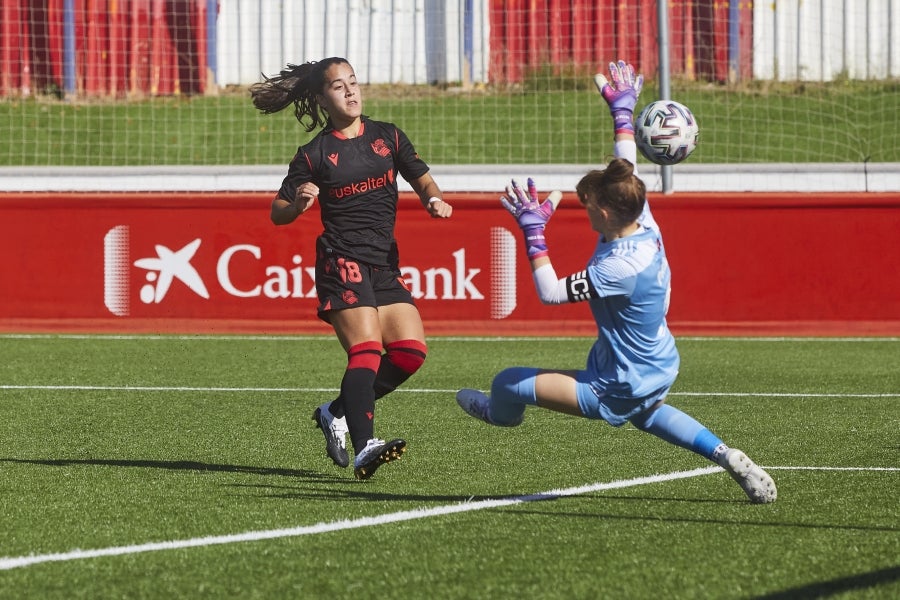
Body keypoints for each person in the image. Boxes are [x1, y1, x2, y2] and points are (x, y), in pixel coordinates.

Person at [456, 61, 776, 504]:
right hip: (658, 361)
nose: (583, 209)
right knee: (648, 415)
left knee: (508, 382)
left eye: (586, 205)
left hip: (619, 379)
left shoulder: (617, 269)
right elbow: (624, 169)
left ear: (604, 213)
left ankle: (499, 415)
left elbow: (550, 293)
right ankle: (727, 455)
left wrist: (532, 232)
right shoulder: (641, 217)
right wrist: (621, 114)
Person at [251, 57, 453, 480]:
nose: (350, 91)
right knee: (365, 349)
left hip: (383, 263)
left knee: (410, 353)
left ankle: (336, 412)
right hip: (341, 259)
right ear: (323, 99)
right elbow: (277, 213)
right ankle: (366, 447)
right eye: (339, 86)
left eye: (354, 82)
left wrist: (433, 199)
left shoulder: (388, 136)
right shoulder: (314, 155)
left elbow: (422, 177)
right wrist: (299, 204)